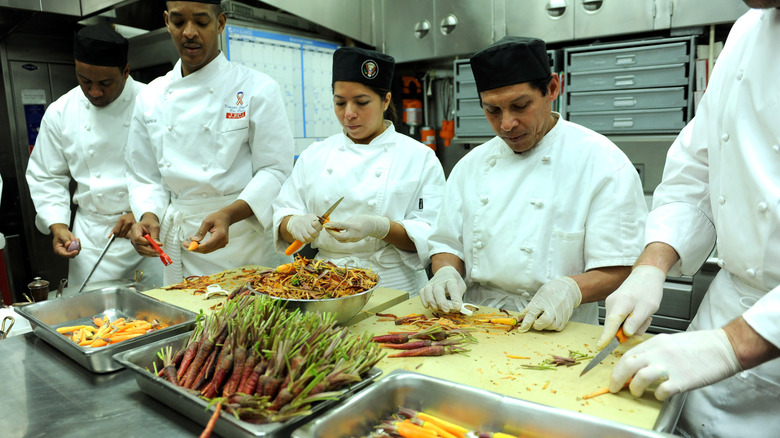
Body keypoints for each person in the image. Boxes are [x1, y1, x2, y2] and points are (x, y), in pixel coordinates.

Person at [598, 3, 780, 436]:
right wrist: (652, 264)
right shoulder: (745, 30)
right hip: (725, 312)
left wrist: (730, 345)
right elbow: (698, 168)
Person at [419, 36, 648, 331]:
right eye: (492, 110)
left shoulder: (601, 162)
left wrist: (571, 289)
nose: (506, 124)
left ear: (552, 88)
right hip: (474, 324)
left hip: (558, 329)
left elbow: (622, 266)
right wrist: (446, 271)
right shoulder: (471, 164)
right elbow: (448, 242)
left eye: (520, 105)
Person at [126, 0, 295, 285]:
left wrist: (229, 214)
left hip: (244, 241)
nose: (189, 32)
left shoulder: (257, 88)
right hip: (182, 242)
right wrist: (148, 215)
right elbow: (144, 176)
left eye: (201, 22)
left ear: (220, 24)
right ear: (167, 21)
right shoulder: (151, 96)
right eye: (179, 22)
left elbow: (275, 170)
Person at [272, 47, 445, 293]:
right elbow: (283, 216)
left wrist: (380, 227)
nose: (349, 114)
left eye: (362, 102)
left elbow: (432, 234)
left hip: (394, 285)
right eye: (339, 102)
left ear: (386, 100)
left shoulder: (419, 157)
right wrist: (292, 224)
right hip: (324, 283)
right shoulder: (316, 155)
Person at [25, 23, 161, 289]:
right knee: (89, 322)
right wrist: (58, 226)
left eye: (105, 83)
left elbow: (174, 171)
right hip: (91, 240)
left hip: (148, 236)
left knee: (158, 317)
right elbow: (46, 176)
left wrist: (145, 211)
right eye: (85, 81)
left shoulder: (154, 102)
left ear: (126, 71)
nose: (94, 92)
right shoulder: (61, 111)